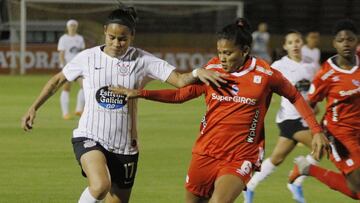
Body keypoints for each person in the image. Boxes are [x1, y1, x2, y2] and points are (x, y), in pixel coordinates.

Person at [109, 18, 329, 203]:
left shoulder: (265, 74)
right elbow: (179, 95)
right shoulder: (212, 70)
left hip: (241, 155)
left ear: (244, 51)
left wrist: (316, 130)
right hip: (205, 152)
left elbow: (295, 96)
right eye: (220, 52)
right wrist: (141, 93)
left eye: (228, 53)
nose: (222, 58)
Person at [21, 6, 226, 203]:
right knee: (100, 185)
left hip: (124, 147)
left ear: (132, 36)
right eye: (112, 37)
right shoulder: (87, 57)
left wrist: (199, 72)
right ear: (104, 32)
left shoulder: (143, 60)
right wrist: (33, 107)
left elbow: (180, 81)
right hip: (89, 136)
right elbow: (57, 80)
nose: (117, 43)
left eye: (123, 39)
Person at [243, 30, 320, 203]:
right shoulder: (279, 66)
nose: (295, 45)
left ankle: (250, 186)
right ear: (285, 46)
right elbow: (262, 83)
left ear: (302, 43)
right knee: (321, 147)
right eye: (291, 42)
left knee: (277, 158)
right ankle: (296, 181)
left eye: (297, 41)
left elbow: (314, 89)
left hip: (306, 118)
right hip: (289, 119)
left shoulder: (311, 64)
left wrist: (314, 106)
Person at [289, 19, 360, 200]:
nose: (346, 44)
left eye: (350, 39)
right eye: (341, 40)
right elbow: (307, 105)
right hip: (339, 135)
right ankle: (309, 169)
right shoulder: (326, 74)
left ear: (357, 41)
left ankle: (306, 168)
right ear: (334, 43)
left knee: (356, 190)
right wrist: (316, 132)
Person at [58, 19, 86, 120]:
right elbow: (61, 53)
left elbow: (82, 52)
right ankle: (65, 113)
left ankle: (79, 109)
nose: (73, 27)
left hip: (79, 67)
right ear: (68, 27)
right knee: (66, 88)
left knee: (84, 86)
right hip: (68, 67)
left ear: (76, 27)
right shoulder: (63, 39)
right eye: (71, 25)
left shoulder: (80, 38)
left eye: (74, 25)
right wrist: (62, 65)